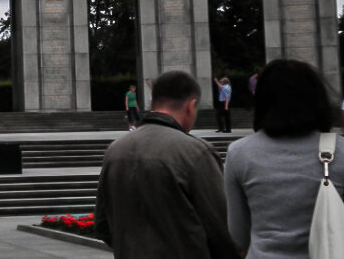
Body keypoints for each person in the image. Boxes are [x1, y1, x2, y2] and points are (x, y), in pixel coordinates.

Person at [223, 59, 344, 257]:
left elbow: (238, 237)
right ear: (316, 98)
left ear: (263, 100)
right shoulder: (343, 151)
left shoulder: (239, 153)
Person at [94, 70, 240, 259]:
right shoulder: (196, 152)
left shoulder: (115, 150)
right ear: (191, 106)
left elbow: (102, 224)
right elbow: (221, 230)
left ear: (150, 103)